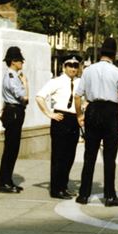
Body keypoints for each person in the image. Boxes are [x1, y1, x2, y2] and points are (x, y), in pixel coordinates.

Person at [74, 37, 118, 207]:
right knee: (109, 156)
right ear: (114, 54)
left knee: (89, 155)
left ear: (101, 52)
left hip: (93, 110)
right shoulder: (117, 72)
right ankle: (109, 196)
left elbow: (77, 96)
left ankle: (83, 195)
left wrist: (79, 115)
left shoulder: (88, 70)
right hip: (110, 112)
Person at [34, 56, 82, 198]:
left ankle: (63, 186)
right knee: (59, 156)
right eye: (70, 65)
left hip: (74, 119)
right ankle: (56, 189)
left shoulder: (80, 82)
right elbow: (39, 97)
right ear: (64, 67)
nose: (73, 68)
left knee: (70, 156)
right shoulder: (56, 82)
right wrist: (49, 114)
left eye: (75, 66)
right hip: (61, 119)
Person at [0, 46, 29, 193]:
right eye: (20, 60)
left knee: (12, 149)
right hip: (14, 112)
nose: (22, 63)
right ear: (14, 61)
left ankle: (7, 180)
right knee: (11, 149)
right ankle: (4, 183)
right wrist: (26, 83)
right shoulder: (13, 77)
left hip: (12, 111)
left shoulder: (11, 76)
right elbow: (24, 98)